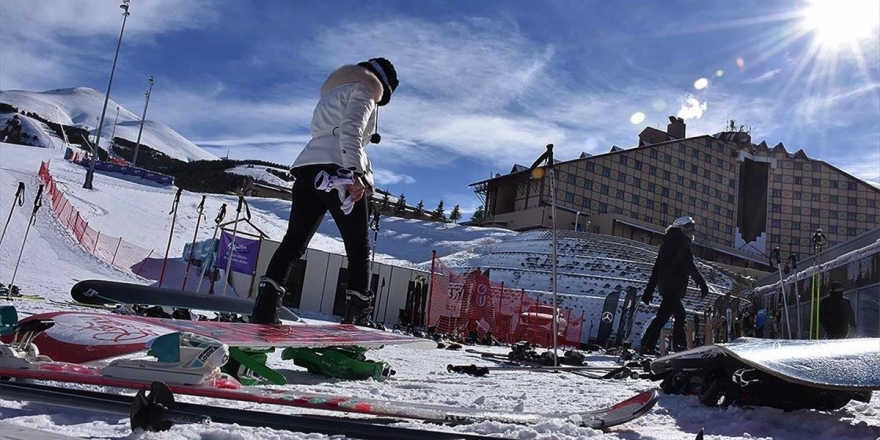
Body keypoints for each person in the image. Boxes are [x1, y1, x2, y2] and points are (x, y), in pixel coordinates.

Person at [250, 58, 399, 326]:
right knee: (358, 248)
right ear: (383, 86)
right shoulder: (364, 90)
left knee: (293, 242)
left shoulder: (330, 95)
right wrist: (356, 172)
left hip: (307, 168)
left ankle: (264, 313)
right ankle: (356, 323)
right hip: (339, 170)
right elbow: (350, 130)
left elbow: (324, 132)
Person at [639, 216, 709, 355]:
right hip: (674, 286)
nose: (692, 231)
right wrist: (701, 283)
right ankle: (648, 346)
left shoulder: (667, 243)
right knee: (662, 317)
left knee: (679, 315)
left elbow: (656, 268)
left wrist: (649, 290)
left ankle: (679, 346)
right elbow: (688, 265)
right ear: (682, 228)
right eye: (690, 228)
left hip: (666, 286)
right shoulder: (682, 242)